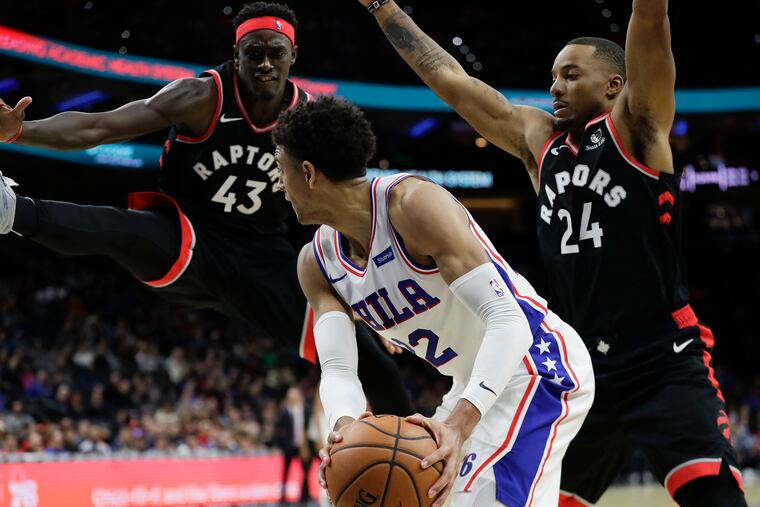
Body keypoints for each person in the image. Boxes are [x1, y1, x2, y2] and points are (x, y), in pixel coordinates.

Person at [352, 0, 747, 505]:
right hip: (582, 365)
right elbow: (451, 80)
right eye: (553, 76)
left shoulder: (639, 128)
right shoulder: (540, 143)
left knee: (717, 498)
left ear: (614, 85)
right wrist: (385, 8)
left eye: (570, 74)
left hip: (662, 359)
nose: (555, 86)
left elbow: (650, 20)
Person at [0, 2, 412, 417]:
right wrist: (21, 131)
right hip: (190, 236)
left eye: (276, 52)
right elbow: (98, 126)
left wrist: (369, 292)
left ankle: (418, 465)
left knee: (375, 366)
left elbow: (349, 202)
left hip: (264, 258)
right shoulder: (201, 97)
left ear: (293, 55)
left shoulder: (309, 118)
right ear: (237, 55)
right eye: (253, 52)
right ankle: (11, 210)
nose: (265, 63)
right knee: (125, 230)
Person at [273, 96, 594, 507]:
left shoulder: (412, 206)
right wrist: (344, 430)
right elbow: (337, 368)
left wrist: (458, 426)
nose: (279, 185)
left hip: (537, 365)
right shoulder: (316, 263)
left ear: (308, 172)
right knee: (426, 494)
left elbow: (508, 320)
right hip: (475, 383)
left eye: (281, 171)